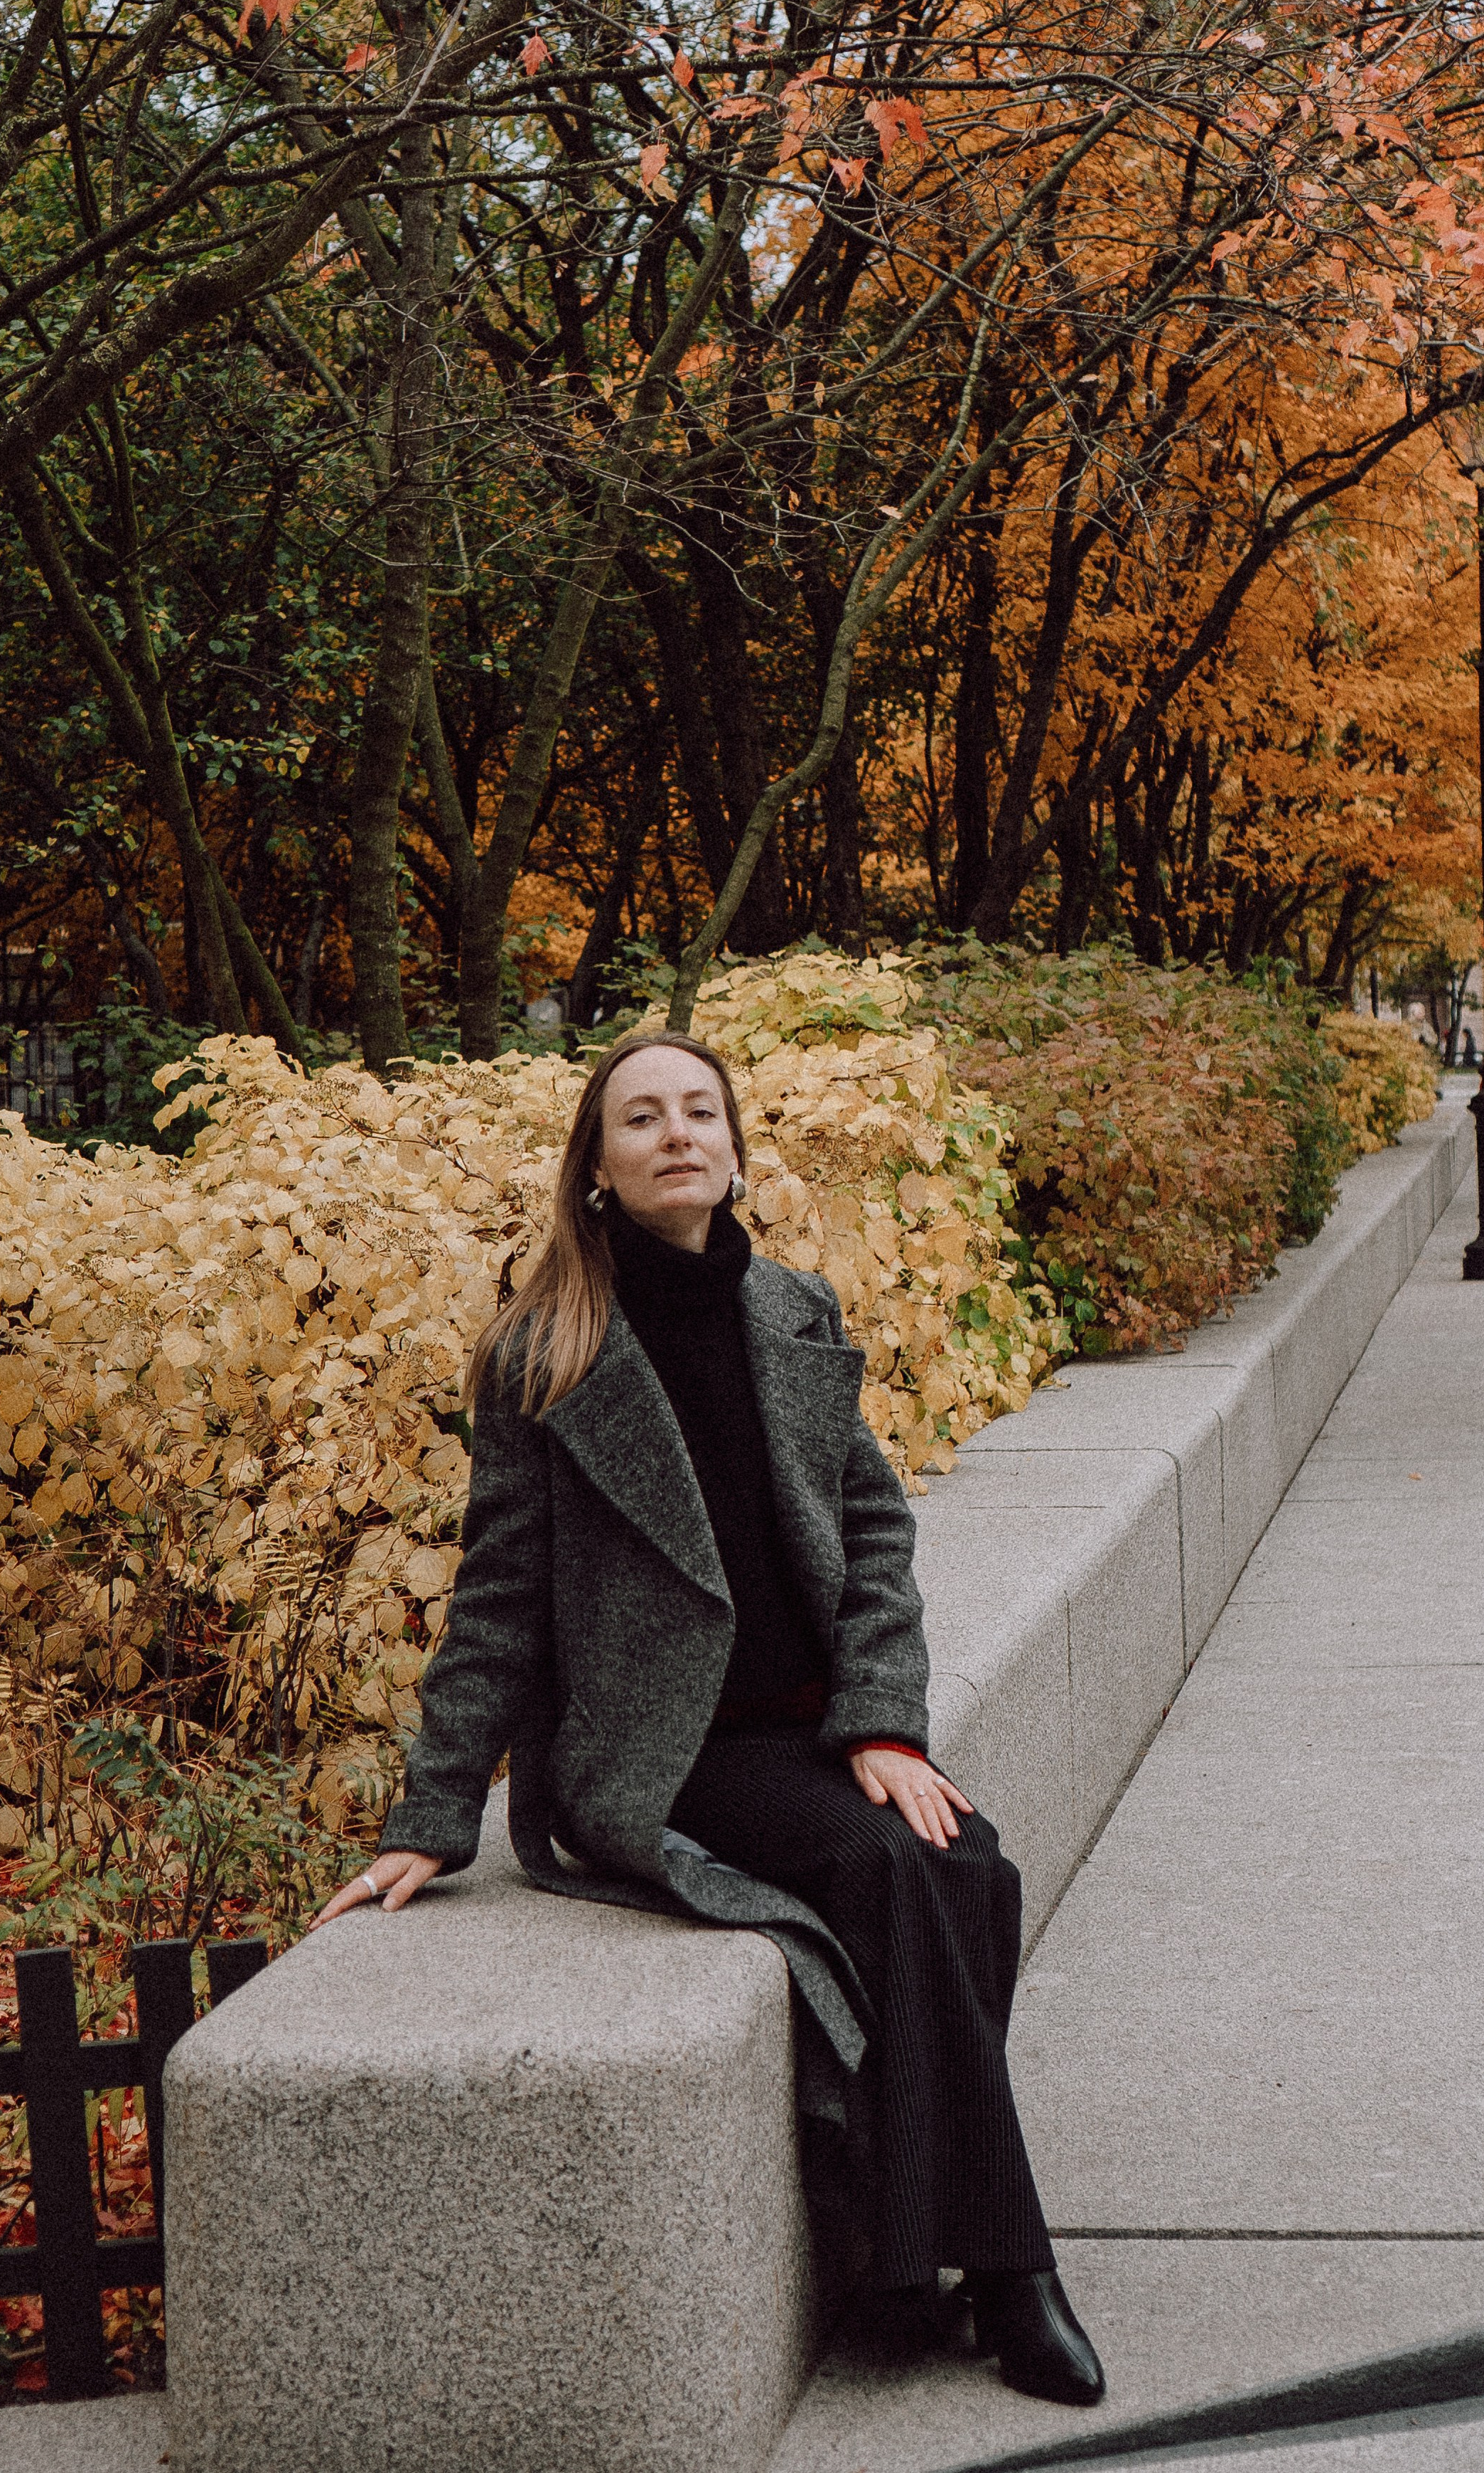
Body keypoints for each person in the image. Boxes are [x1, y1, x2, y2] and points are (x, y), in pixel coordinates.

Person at [311, 1030, 1104, 2408]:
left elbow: (872, 1535)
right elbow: (497, 1605)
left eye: (700, 1111)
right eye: (641, 1118)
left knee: (969, 1865)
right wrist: (431, 1819)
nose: (677, 1134)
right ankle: (1012, 2275)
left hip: (815, 1730)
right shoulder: (544, 1353)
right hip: (667, 1755)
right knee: (882, 1868)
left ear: (733, 1150)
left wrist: (883, 1726)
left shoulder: (795, 1309)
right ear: (599, 1169)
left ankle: (908, 2258)